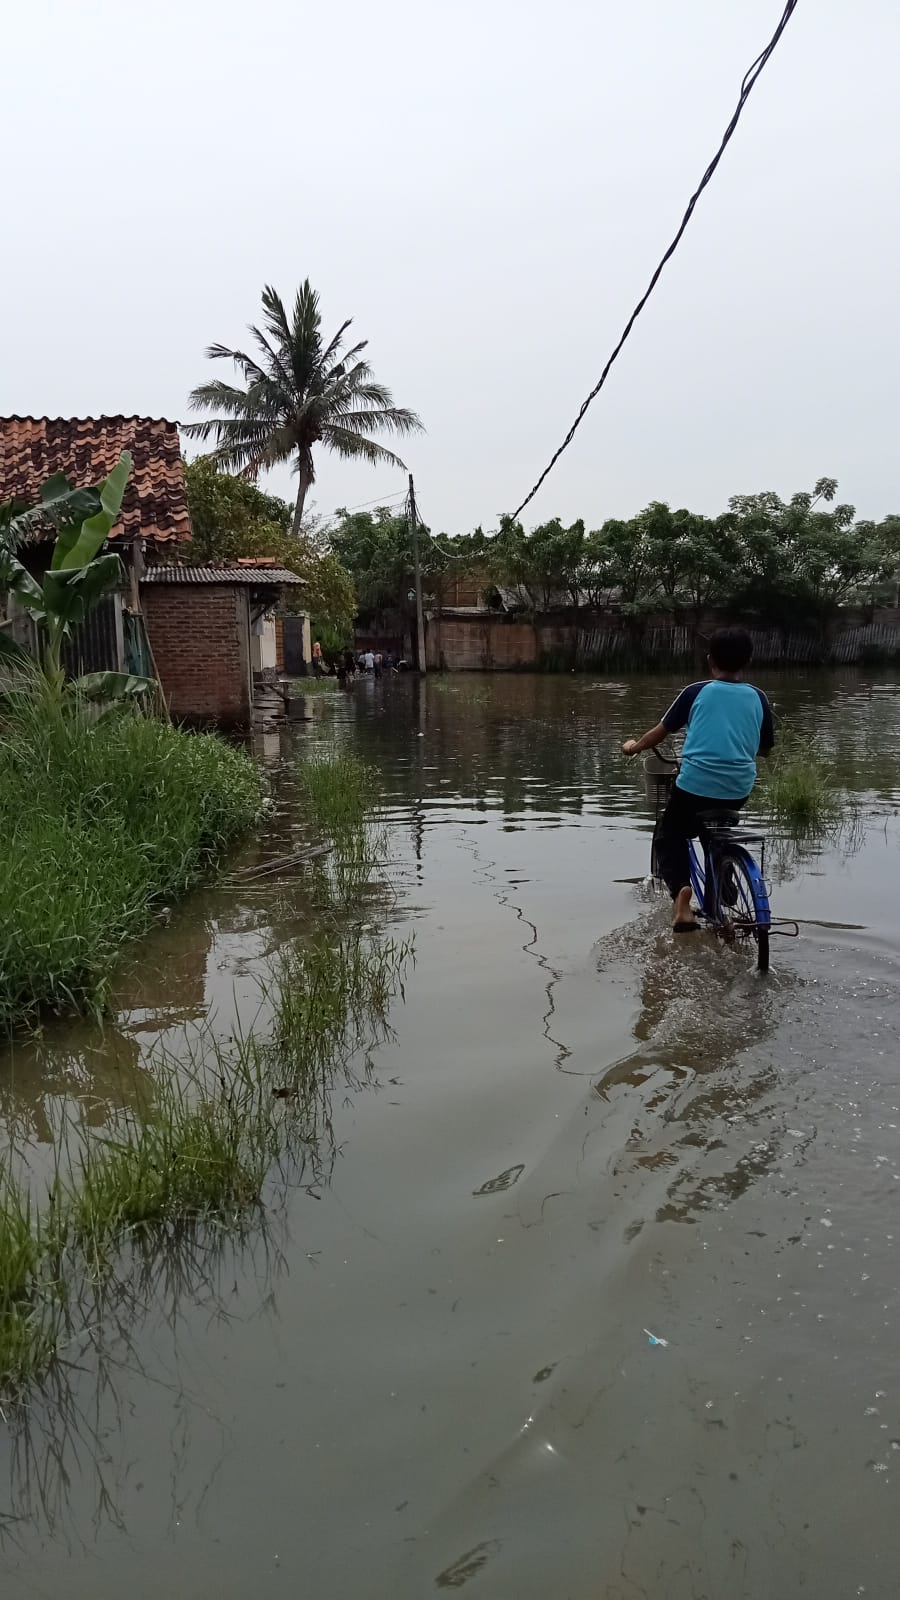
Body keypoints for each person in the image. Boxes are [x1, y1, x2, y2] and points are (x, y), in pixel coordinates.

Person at [622, 627, 774, 933]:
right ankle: (726, 885)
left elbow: (661, 731)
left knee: (669, 834)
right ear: (748, 661)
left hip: (696, 784)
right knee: (716, 834)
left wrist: (634, 746)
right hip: (738, 787)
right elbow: (765, 749)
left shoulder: (695, 691)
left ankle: (681, 895)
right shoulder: (759, 697)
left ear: (709, 660)